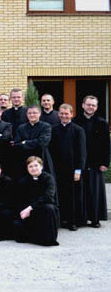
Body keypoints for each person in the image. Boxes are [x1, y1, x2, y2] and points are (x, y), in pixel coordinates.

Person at [73, 95, 110, 228]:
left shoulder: (102, 122)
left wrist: (105, 163)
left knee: (95, 192)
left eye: (93, 105)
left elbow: (107, 144)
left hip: (96, 163)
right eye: (88, 104)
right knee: (80, 191)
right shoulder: (75, 121)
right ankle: (81, 219)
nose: (90, 107)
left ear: (96, 107)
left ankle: (95, 219)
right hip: (79, 163)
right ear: (83, 105)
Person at [50, 104, 86, 230]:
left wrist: (78, 170)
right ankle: (61, 220)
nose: (64, 116)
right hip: (57, 169)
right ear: (58, 114)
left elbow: (82, 152)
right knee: (60, 195)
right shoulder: (53, 129)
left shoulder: (78, 130)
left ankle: (73, 222)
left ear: (71, 114)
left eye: (67, 114)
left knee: (73, 196)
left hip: (72, 169)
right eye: (62, 113)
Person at [12, 156, 60, 246]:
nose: (33, 168)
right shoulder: (23, 181)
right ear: (27, 168)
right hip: (29, 213)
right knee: (17, 227)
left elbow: (48, 197)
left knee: (49, 208)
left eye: (36, 165)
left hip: (44, 209)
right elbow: (19, 199)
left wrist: (30, 208)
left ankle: (48, 239)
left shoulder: (49, 178)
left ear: (41, 166)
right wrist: (22, 211)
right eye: (30, 166)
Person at [14, 105, 54, 181]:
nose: (32, 115)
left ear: (39, 114)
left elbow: (42, 142)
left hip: (42, 157)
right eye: (29, 113)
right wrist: (35, 142)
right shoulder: (21, 127)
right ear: (27, 114)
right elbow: (16, 144)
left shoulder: (46, 126)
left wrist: (25, 142)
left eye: (34, 113)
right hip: (24, 160)